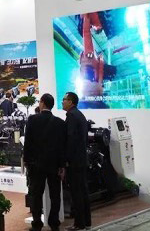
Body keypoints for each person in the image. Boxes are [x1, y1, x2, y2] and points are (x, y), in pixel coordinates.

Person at [23, 93, 66, 231]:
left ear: (42, 103)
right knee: (55, 195)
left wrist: (27, 160)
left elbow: (28, 142)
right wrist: (62, 165)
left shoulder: (32, 120)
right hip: (54, 165)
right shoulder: (60, 123)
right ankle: (54, 223)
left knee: (36, 195)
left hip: (36, 164)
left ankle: (37, 224)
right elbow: (62, 146)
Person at [62, 92, 91, 231]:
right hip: (81, 160)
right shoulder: (79, 114)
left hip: (74, 162)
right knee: (83, 192)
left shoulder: (72, 116)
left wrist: (66, 159)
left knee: (77, 193)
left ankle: (79, 224)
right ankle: (86, 222)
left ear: (71, 101)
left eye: (64, 99)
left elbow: (71, 140)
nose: (62, 102)